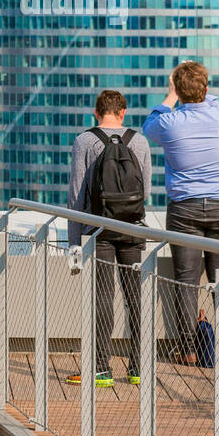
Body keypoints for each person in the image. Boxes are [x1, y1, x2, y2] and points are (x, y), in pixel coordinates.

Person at [142, 62, 219, 366]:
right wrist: (196, 89)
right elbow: (210, 101)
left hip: (185, 207)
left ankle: (187, 348)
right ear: (206, 88)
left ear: (178, 91)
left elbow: (148, 126)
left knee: (186, 280)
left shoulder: (169, 122)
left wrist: (172, 95)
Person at [65, 90, 152, 386]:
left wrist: (74, 244)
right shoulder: (139, 141)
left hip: (97, 230)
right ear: (123, 112)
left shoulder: (85, 141)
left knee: (102, 297)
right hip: (131, 229)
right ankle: (138, 368)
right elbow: (146, 192)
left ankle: (101, 368)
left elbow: (76, 195)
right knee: (135, 298)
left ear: (96, 112)